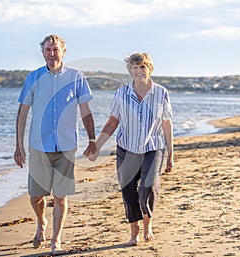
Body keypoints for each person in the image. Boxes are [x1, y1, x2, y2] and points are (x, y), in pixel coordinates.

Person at [14, 34, 97, 253]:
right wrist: (19, 146)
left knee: (60, 197)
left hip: (66, 146)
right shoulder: (33, 78)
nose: (52, 54)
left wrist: (92, 140)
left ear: (63, 52)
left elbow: (86, 111)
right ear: (43, 53)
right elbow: (22, 114)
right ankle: (41, 222)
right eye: (48, 50)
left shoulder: (76, 77)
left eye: (56, 50)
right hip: (38, 146)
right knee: (35, 196)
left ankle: (55, 240)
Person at [86, 52, 174, 246]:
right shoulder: (121, 93)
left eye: (142, 67)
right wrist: (97, 147)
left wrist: (171, 154)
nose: (138, 71)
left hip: (153, 148)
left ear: (149, 69)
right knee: (128, 192)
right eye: (134, 67)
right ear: (130, 71)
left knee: (147, 188)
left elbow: (167, 124)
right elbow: (112, 123)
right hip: (126, 149)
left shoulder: (161, 93)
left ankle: (147, 225)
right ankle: (134, 232)